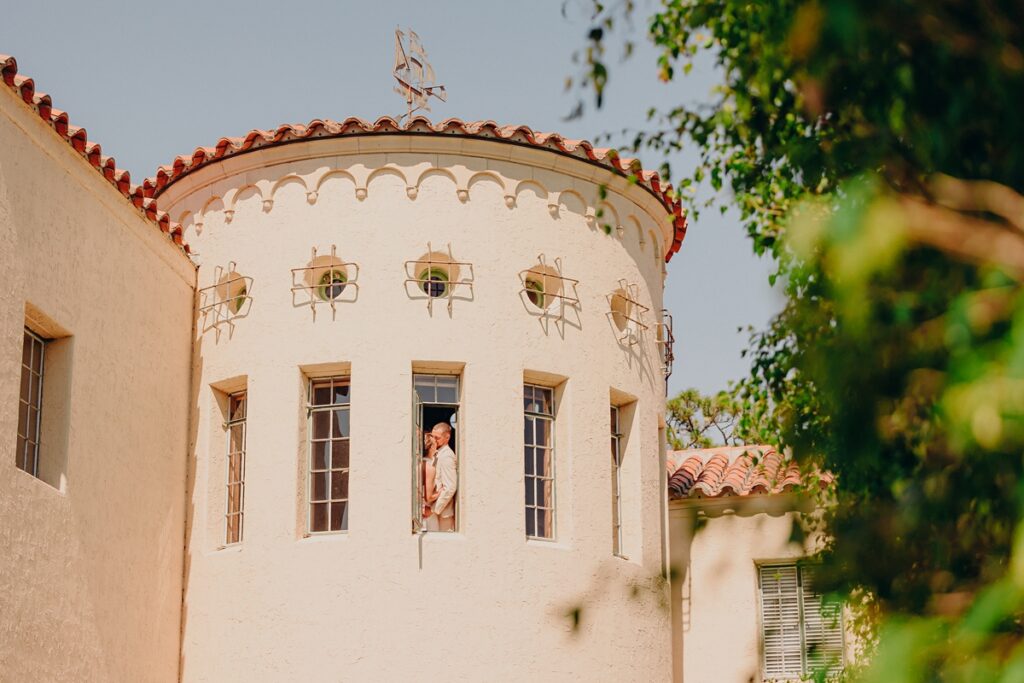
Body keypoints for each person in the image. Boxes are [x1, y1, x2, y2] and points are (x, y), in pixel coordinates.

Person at [424, 421, 457, 532]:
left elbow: (450, 487)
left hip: (443, 514)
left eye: (437, 438)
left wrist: (433, 510)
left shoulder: (447, 456)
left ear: (447, 438)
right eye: (432, 436)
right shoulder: (437, 453)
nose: (433, 440)